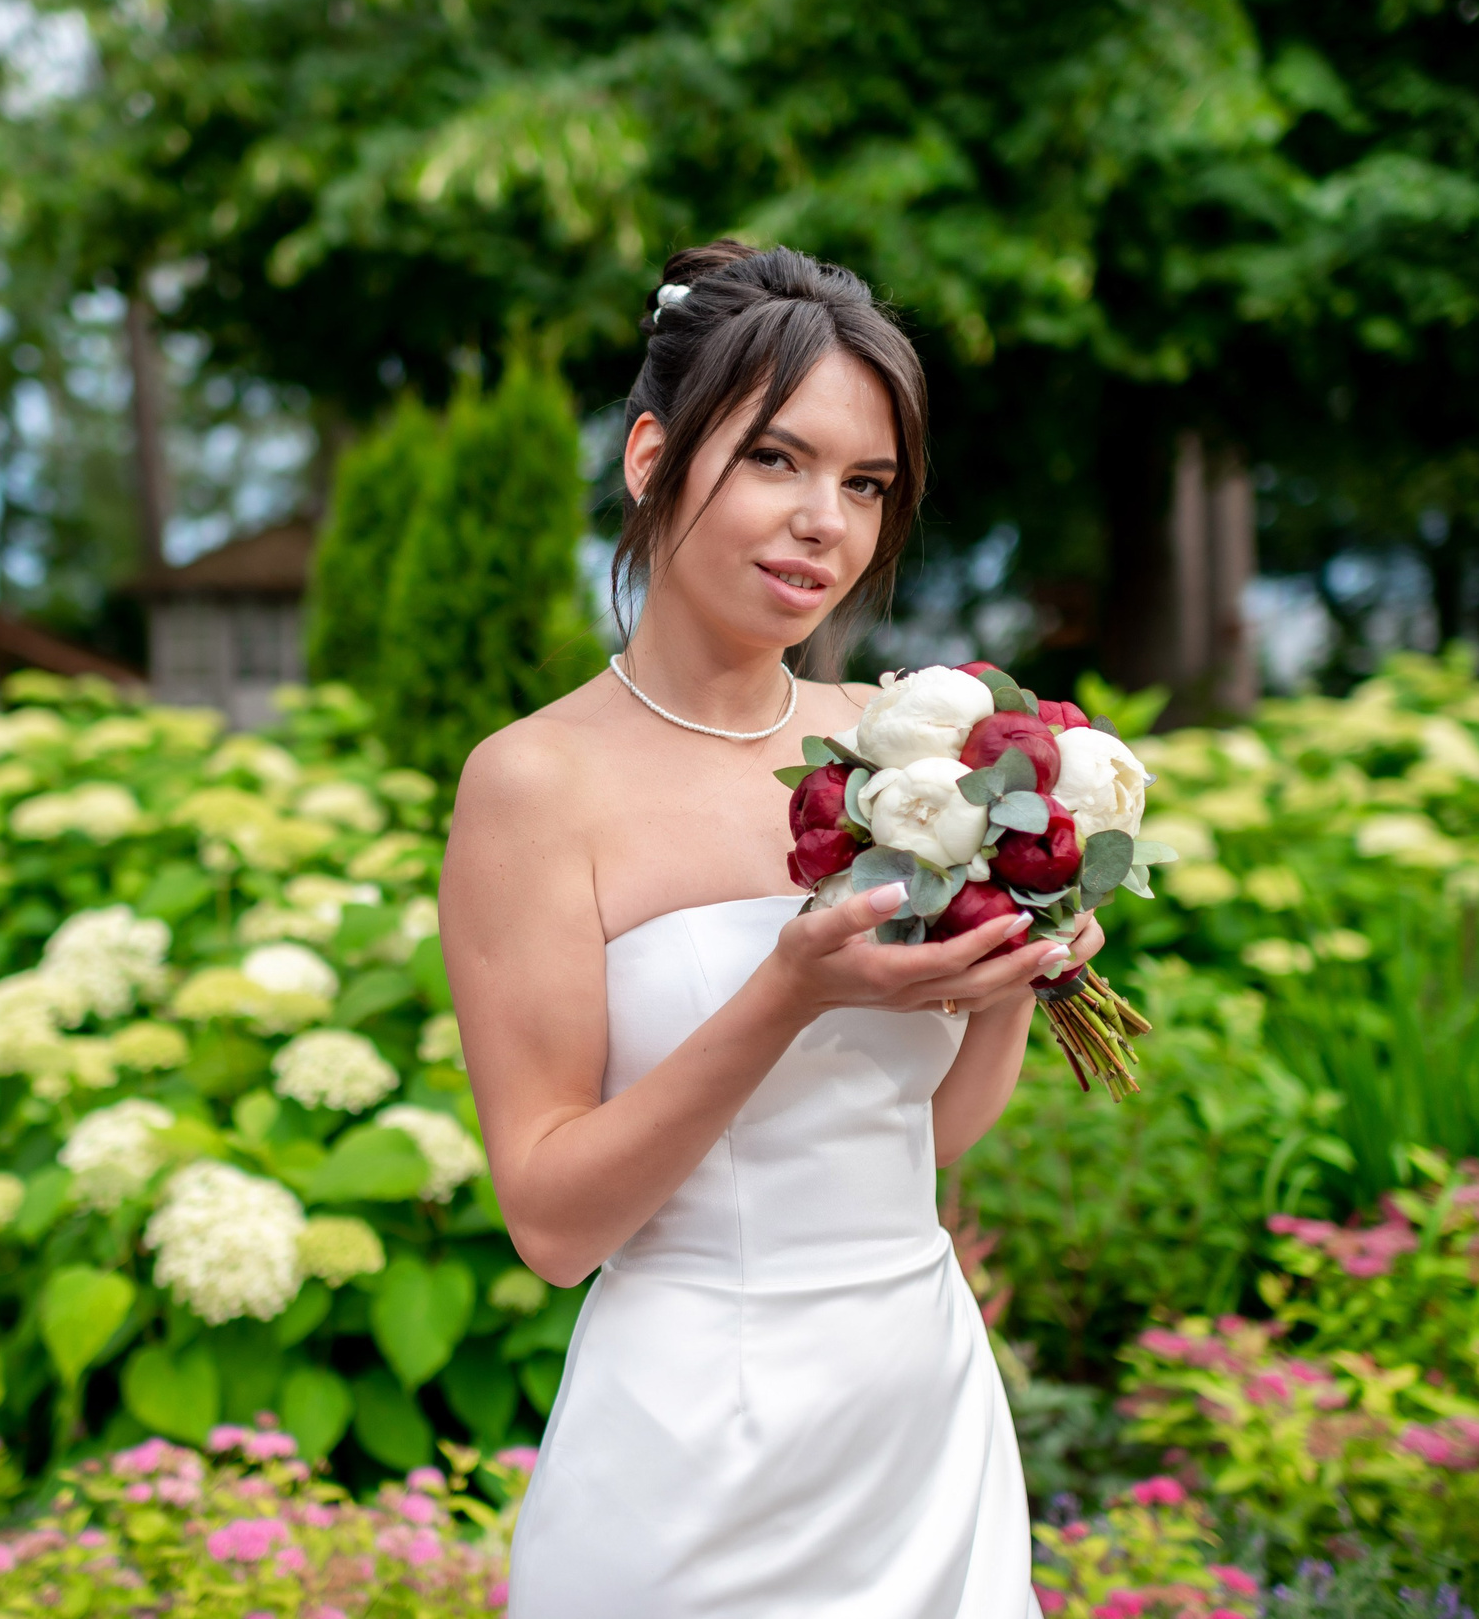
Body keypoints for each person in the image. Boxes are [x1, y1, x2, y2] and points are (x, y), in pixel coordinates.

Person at [441, 241, 1102, 1618]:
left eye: (865, 486)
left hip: (919, 1410)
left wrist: (1011, 971)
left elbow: (918, 1137)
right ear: (649, 459)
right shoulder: (532, 785)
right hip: (694, 1439)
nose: (826, 523)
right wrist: (784, 992)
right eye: (774, 462)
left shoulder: (897, 749)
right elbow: (555, 1222)